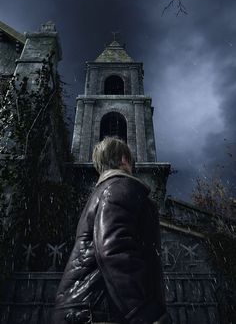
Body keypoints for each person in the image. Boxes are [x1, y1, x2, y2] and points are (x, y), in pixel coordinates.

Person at [52, 137, 171, 324]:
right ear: (124, 159)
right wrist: (147, 314)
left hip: (83, 309)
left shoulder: (101, 192)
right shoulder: (119, 187)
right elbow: (114, 250)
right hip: (98, 312)